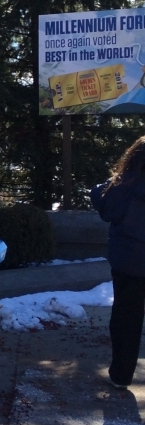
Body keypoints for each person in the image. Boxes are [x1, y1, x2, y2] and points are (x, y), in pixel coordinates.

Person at [91, 136, 145, 389]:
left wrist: (119, 177)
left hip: (128, 263)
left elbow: (101, 199)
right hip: (130, 262)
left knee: (126, 318)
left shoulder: (122, 187)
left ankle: (121, 375)